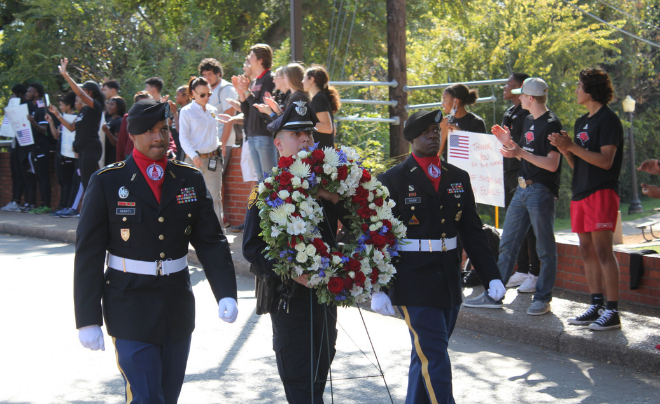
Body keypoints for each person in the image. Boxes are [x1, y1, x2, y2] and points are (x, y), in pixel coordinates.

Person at [74, 99, 238, 404]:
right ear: (133, 135)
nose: (158, 138)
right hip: (129, 304)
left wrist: (226, 291)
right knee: (147, 397)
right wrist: (87, 317)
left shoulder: (188, 178)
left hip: (176, 304)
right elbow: (89, 253)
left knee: (168, 395)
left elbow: (210, 240)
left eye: (163, 129)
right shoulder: (109, 181)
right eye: (149, 131)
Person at [373, 110, 505, 404]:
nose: (433, 136)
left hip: (448, 278)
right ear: (411, 139)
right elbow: (381, 236)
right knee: (435, 357)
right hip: (412, 279)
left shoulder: (457, 176)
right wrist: (380, 287)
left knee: (426, 354)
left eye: (436, 130)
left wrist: (492, 275)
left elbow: (471, 232)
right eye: (426, 132)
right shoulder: (392, 180)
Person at [243, 101, 347, 403]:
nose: (305, 139)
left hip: (326, 294)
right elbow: (252, 248)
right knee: (301, 382)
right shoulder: (266, 190)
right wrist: (291, 270)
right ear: (278, 143)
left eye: (309, 134)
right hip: (290, 298)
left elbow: (357, 223)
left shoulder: (329, 185)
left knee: (320, 370)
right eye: (296, 133)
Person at [464, 77, 562, 316]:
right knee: (507, 245)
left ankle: (542, 298)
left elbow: (551, 164)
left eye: (522, 94)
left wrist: (518, 152)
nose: (518, 97)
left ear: (530, 98)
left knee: (545, 248)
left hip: (540, 190)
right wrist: (511, 146)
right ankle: (494, 294)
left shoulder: (552, 124)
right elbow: (528, 154)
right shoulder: (529, 120)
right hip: (521, 188)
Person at [549, 68, 624, 331]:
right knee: (586, 250)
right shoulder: (581, 122)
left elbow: (605, 162)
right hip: (580, 192)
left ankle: (612, 311)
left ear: (591, 90)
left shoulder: (609, 120)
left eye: (579, 85)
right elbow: (576, 161)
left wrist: (572, 147)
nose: (576, 89)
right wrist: (564, 148)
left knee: (604, 251)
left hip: (602, 191)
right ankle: (595, 305)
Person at [500, 73, 541, 293]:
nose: (505, 87)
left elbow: (528, 145)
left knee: (530, 227)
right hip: (508, 173)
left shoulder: (529, 114)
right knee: (516, 226)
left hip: (523, 173)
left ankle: (535, 273)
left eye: (509, 84)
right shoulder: (510, 112)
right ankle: (522, 270)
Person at [51, 58, 104, 191]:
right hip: (82, 150)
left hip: (91, 149)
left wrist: (65, 75)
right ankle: (94, 210)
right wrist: (57, 114)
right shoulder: (84, 110)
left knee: (88, 182)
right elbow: (71, 127)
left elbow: (79, 93)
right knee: (86, 182)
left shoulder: (95, 107)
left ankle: (91, 211)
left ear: (89, 93)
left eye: (83, 91)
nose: (79, 95)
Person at [178, 76, 225, 226]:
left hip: (213, 159)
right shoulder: (186, 111)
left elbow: (214, 134)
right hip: (193, 160)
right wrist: (193, 156)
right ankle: (186, 236)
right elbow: (183, 137)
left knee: (215, 198)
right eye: (202, 94)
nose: (206, 97)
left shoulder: (213, 110)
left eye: (209, 94)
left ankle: (218, 237)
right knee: (188, 199)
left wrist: (219, 147)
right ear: (193, 93)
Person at [233, 43, 277, 180]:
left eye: (251, 56)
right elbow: (247, 112)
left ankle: (275, 202)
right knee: (260, 178)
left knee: (270, 178)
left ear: (261, 60)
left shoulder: (269, 78)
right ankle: (263, 202)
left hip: (264, 134)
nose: (248, 59)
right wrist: (242, 93)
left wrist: (247, 92)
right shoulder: (254, 81)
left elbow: (262, 108)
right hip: (252, 135)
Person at [199, 58, 238, 164]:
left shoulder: (226, 89)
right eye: (204, 75)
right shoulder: (208, 90)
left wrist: (223, 143)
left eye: (210, 74)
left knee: (215, 178)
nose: (207, 78)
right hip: (208, 143)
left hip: (221, 142)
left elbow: (229, 118)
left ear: (218, 73)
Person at [45, 91, 78, 213]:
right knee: (62, 181)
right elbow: (56, 135)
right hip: (61, 153)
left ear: (69, 105)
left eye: (62, 104)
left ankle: (66, 206)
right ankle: (61, 206)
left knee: (68, 181)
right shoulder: (62, 119)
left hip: (70, 154)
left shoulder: (75, 118)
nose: (60, 107)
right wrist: (51, 122)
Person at [25, 82, 53, 214]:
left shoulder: (41, 109)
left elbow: (44, 130)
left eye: (29, 91)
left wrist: (33, 122)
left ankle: (46, 204)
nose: (27, 94)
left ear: (36, 93)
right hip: (34, 148)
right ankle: (41, 204)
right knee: (38, 178)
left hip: (42, 148)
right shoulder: (33, 108)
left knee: (43, 177)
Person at [1, 84, 29, 212]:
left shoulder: (25, 108)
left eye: (13, 94)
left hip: (22, 145)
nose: (11, 96)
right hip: (13, 144)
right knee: (14, 173)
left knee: (20, 173)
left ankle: (19, 200)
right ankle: (14, 200)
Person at [303, 65, 340, 149]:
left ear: (312, 79)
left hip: (322, 152)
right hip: (325, 151)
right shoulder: (321, 97)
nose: (302, 81)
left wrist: (304, 122)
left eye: (304, 78)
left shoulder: (318, 99)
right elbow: (333, 129)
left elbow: (327, 128)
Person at [116, 91, 152, 161]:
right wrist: (119, 162)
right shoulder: (128, 118)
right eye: (141, 104)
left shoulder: (155, 118)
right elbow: (121, 142)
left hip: (149, 156)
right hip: (130, 156)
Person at [101, 96, 126, 166]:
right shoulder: (108, 120)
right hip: (105, 154)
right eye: (108, 104)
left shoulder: (119, 121)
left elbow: (116, 143)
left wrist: (107, 131)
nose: (109, 106)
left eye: (112, 105)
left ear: (119, 107)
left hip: (112, 157)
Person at [169, 85, 191, 161]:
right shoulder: (179, 110)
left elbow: (180, 130)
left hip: (182, 147)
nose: (175, 97)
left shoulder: (187, 111)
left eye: (178, 95)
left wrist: (174, 113)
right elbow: (168, 123)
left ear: (186, 96)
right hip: (176, 146)